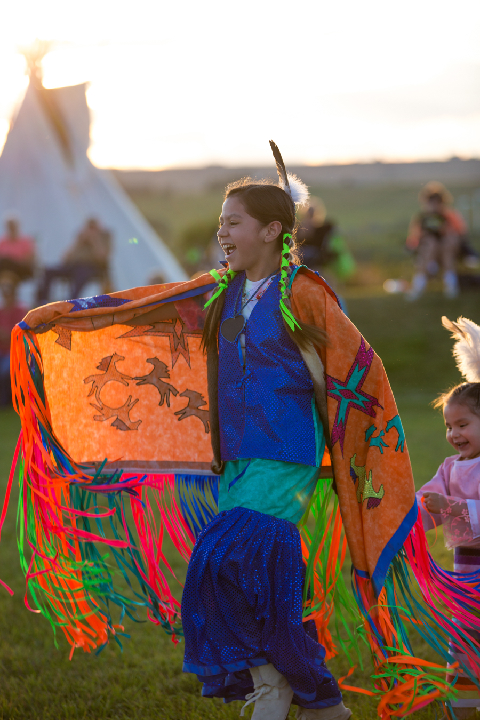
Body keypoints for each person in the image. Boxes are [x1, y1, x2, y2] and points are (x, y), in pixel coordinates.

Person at [417, 316, 480, 720]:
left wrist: (450, 509)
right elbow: (425, 503)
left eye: (464, 424)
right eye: (449, 426)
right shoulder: (449, 466)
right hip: (466, 576)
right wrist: (403, 521)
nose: (454, 433)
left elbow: (455, 511)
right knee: (464, 648)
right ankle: (461, 709)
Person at [407, 182, 468, 300]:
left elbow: (461, 234)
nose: (435, 205)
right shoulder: (422, 218)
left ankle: (450, 286)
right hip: (428, 253)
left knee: (448, 242)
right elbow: (413, 240)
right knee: (431, 244)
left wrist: (445, 231)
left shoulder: (450, 216)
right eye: (431, 202)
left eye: (437, 202)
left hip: (449, 251)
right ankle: (419, 286)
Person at [36, 217, 111, 303]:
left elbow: (102, 258)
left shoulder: (104, 237)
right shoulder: (80, 238)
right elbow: (65, 258)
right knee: (48, 270)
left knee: (80, 273)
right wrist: (78, 242)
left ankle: (71, 301)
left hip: (91, 268)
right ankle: (43, 300)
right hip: (73, 265)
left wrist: (94, 240)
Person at [0, 271, 26, 406]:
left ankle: (6, 401)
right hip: (3, 351)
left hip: (14, 352)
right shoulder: (1, 311)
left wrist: (6, 335)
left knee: (6, 369)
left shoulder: (21, 310)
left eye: (8, 287)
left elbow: (18, 334)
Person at [0, 215, 36, 282]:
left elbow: (29, 259)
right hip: (4, 268)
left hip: (20, 268)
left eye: (13, 226)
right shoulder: (2, 241)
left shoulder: (26, 241)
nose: (11, 228)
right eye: (9, 226)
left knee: (6, 262)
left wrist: (12, 259)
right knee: (5, 263)